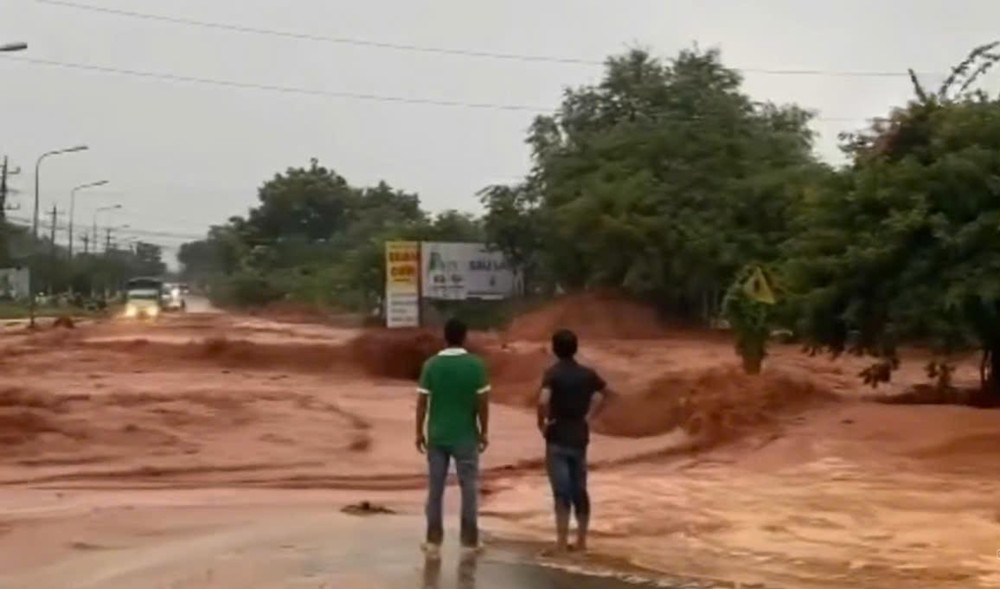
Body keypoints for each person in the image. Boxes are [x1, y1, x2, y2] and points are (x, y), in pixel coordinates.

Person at [416, 318, 490, 557]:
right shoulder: (476, 365)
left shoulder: (431, 365)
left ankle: (433, 541)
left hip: (437, 436)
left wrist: (418, 431)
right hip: (466, 436)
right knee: (468, 487)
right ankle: (469, 540)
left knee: (435, 488)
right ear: (465, 336)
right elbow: (482, 403)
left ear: (445, 337)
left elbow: (422, 402)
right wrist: (484, 431)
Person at [537, 329, 609, 553]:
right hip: (580, 435)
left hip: (557, 435)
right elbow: (604, 394)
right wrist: (590, 416)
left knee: (561, 491)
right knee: (580, 489)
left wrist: (542, 422)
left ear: (555, 349)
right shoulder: (587, 374)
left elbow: (543, 400)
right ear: (575, 348)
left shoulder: (553, 373)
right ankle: (581, 542)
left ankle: (560, 543)